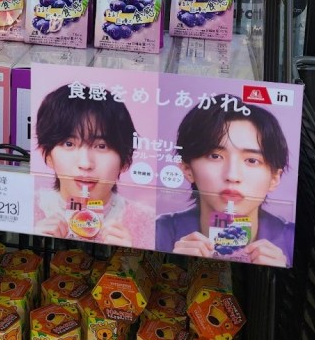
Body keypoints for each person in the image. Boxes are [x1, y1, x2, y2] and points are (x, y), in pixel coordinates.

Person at [155, 96, 293, 267]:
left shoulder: (292, 239)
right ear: (187, 169)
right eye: (215, 156)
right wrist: (174, 266)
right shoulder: (157, 231)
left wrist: (280, 278)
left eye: (251, 160)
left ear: (274, 178)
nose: (232, 175)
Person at [34, 84, 155, 248]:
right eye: (69, 143)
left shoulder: (147, 222)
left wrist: (130, 259)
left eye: (101, 146)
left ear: (125, 161)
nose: (85, 163)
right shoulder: (27, 207)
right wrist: (31, 243)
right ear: (46, 154)